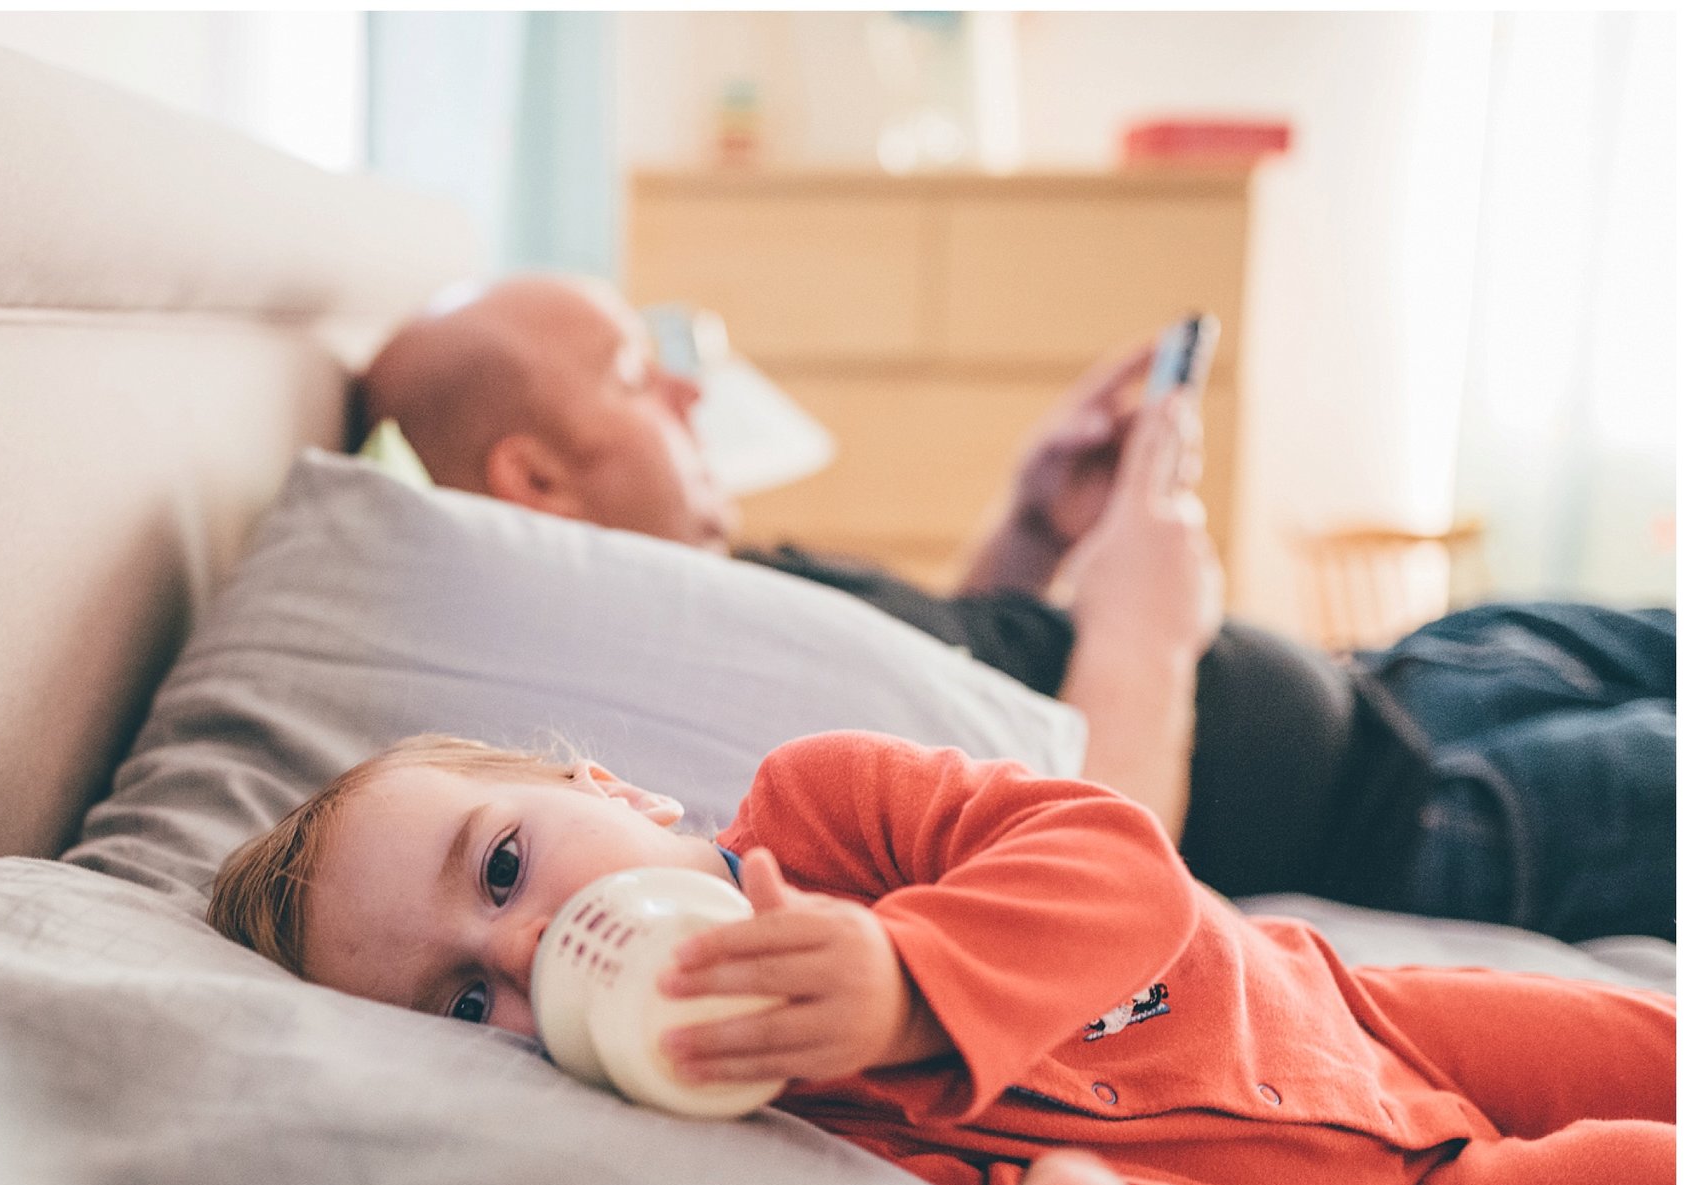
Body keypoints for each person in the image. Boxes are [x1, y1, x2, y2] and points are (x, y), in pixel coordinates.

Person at [205, 725, 1676, 1185]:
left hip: (1345, 1008)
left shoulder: (830, 809)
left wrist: (912, 979)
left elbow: (1112, 854)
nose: (527, 957)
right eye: (465, 1008)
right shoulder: (740, 1154)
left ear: (614, 785)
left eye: (508, 866)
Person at [358, 275, 1676, 944]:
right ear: (536, 481)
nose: (697, 398)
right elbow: (1093, 843)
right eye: (640, 377)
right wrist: (1143, 613)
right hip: (1418, 819)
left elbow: (955, 706)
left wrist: (1033, 532)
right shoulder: (642, 686)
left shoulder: (712, 592)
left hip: (1409, 675)